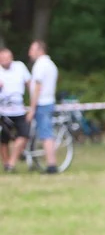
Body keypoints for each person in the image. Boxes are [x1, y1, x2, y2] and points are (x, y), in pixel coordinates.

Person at [27, 40, 59, 174]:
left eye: (32, 49)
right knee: (45, 133)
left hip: (42, 103)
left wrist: (32, 107)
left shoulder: (40, 65)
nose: (29, 53)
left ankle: (52, 164)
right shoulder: (51, 64)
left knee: (46, 134)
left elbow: (37, 88)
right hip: (49, 101)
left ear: (40, 50)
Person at [0, 43, 32, 173]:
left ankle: (12, 162)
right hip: (3, 111)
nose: (5, 61)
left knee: (24, 134)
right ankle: (6, 163)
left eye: (7, 58)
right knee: (3, 139)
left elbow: (30, 84)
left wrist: (32, 104)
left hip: (19, 110)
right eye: (2, 59)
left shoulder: (20, 67)